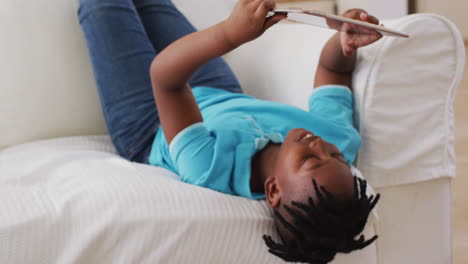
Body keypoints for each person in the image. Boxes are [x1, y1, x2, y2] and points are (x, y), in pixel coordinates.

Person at [78, 0, 381, 262]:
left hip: (149, 120)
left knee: (101, 5)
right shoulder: (340, 140)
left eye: (309, 160)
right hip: (220, 90)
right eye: (336, 156)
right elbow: (335, 70)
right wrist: (345, 40)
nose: (319, 145)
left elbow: (165, 77)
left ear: (273, 190)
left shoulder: (208, 166)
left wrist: (229, 34)